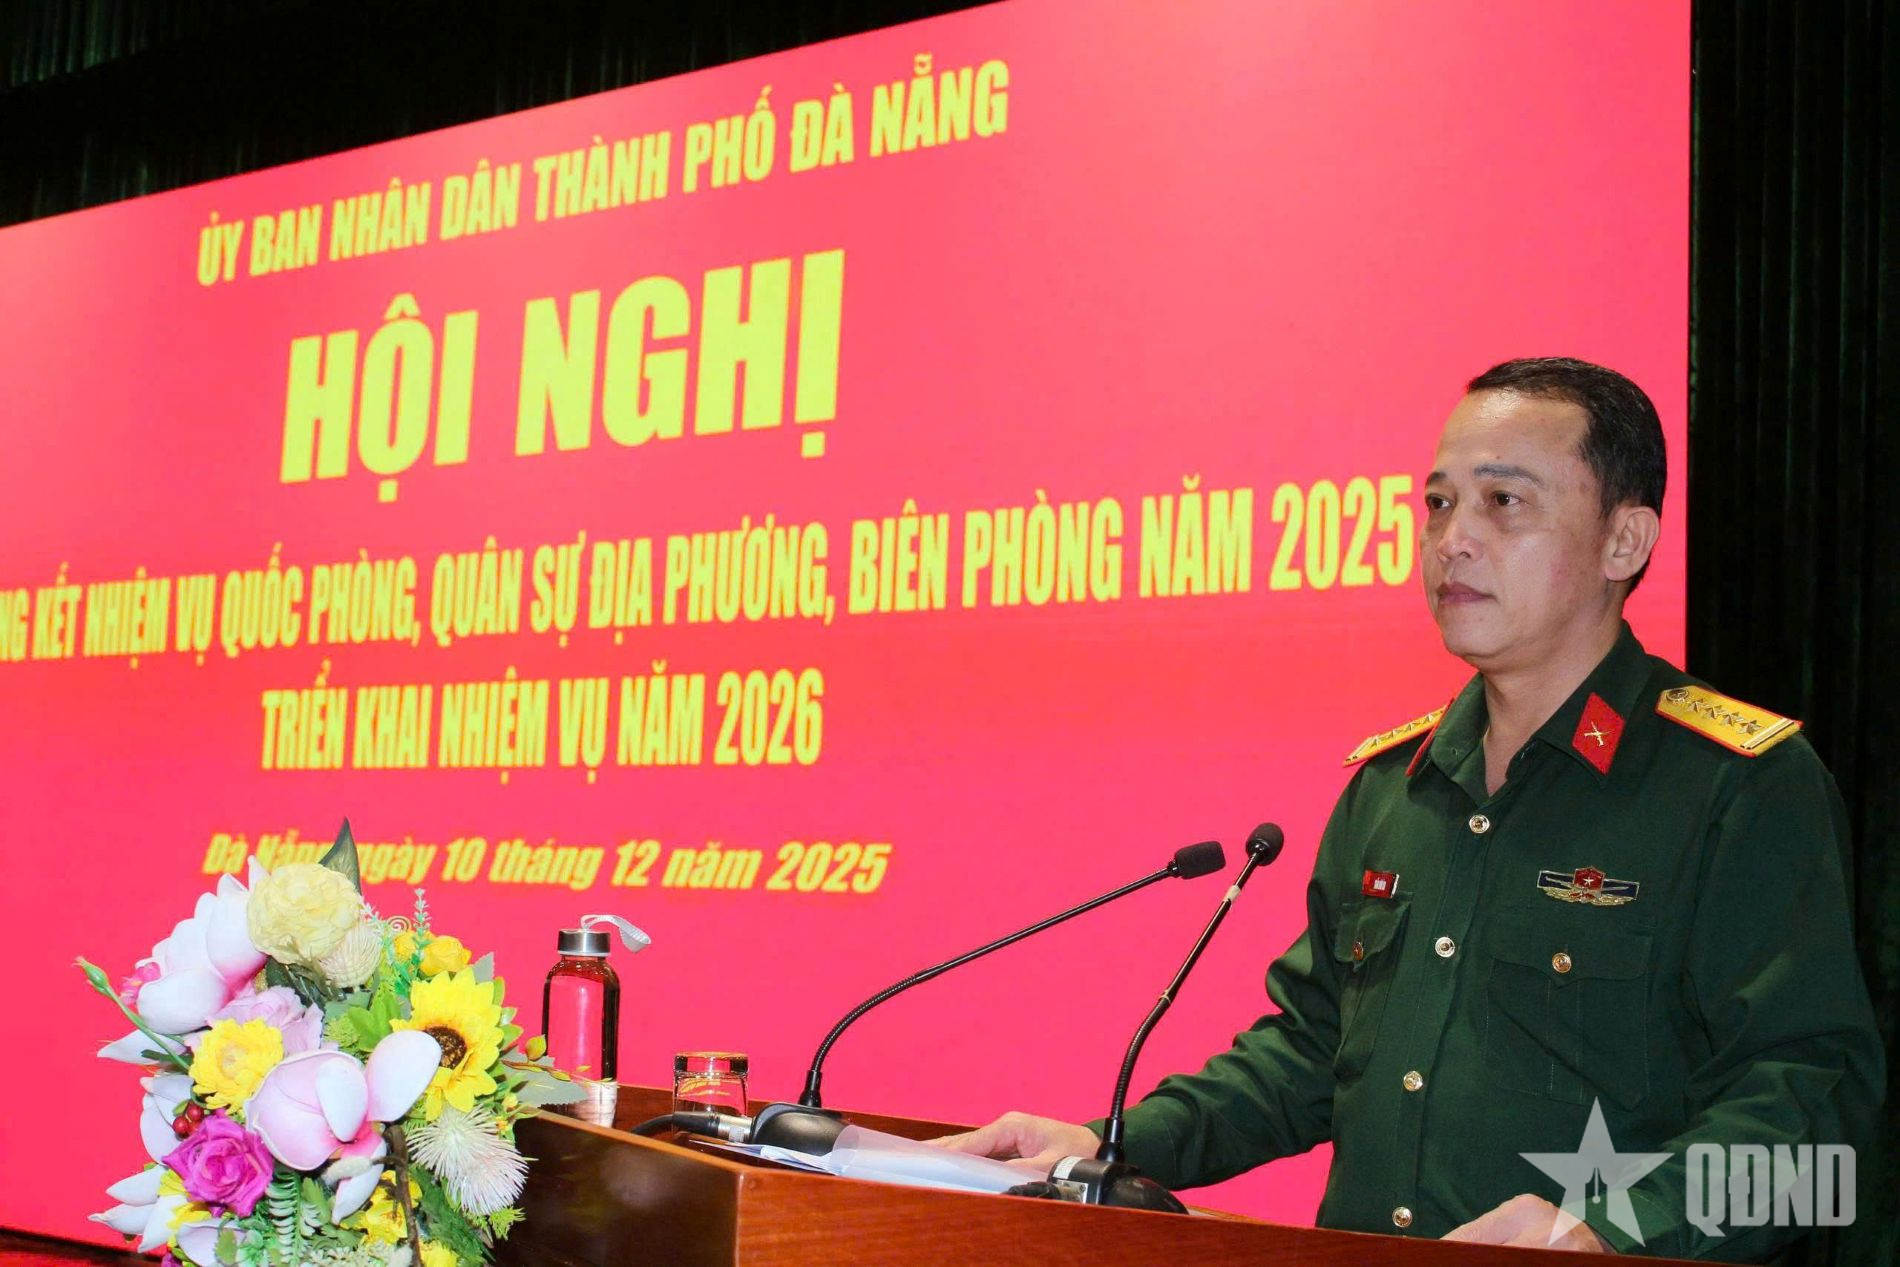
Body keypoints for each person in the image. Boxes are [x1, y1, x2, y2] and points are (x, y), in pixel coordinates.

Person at [935, 358, 1885, 1259]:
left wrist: (1605, 1229)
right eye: (1438, 503)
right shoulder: (1395, 784)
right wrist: (1109, 1147)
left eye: (1504, 502)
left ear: (1623, 541)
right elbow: (1312, 1051)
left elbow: (1819, 1138)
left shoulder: (1734, 786)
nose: (1452, 538)